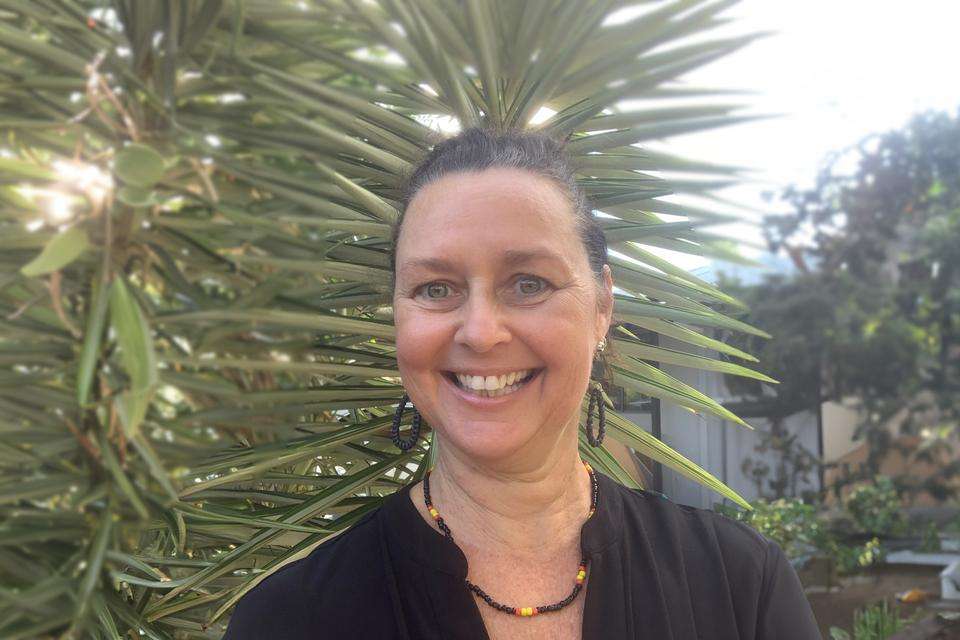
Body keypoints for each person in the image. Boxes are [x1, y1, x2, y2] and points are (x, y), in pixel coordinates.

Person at [223, 127, 822, 639]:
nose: (481, 333)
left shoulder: (742, 587)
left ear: (602, 308)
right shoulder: (288, 620)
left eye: (528, 283)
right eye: (436, 289)